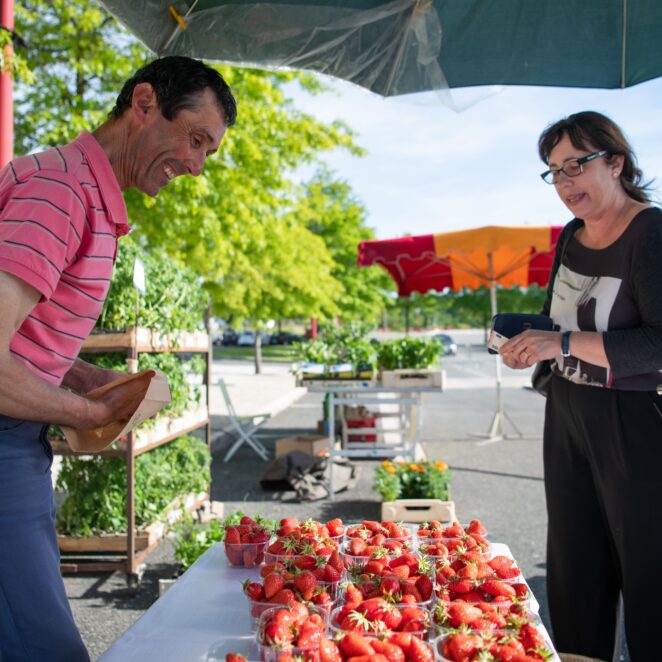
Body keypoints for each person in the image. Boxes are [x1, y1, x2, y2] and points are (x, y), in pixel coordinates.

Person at [0, 56, 236, 661]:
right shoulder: (61, 194)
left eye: (208, 151)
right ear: (144, 104)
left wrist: (88, 377)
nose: (196, 165)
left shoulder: (80, 192)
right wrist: (83, 411)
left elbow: (20, 338)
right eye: (196, 140)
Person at [500, 111, 661, 661]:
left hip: (635, 423)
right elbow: (557, 321)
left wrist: (563, 344)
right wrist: (530, 345)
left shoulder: (652, 233)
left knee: (648, 573)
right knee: (574, 565)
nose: (566, 183)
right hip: (567, 412)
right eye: (554, 172)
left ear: (616, 162)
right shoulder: (571, 235)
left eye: (576, 165)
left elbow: (660, 344)